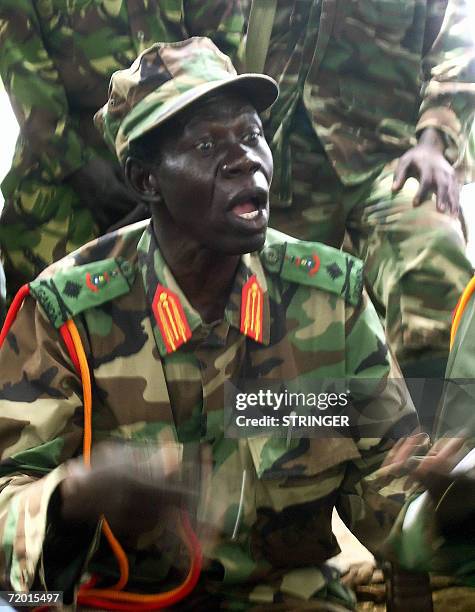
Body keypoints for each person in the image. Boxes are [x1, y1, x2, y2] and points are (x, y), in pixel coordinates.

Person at [0, 38, 473, 610]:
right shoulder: (66, 313)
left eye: (251, 136)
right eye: (206, 144)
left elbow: (390, 497)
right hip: (123, 601)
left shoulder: (329, 298)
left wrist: (449, 509)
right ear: (147, 180)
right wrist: (74, 496)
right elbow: (7, 506)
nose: (246, 158)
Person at [242, 0, 475, 387]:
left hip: (388, 161)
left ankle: (433, 425)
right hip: (272, 168)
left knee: (431, 248)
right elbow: (211, 42)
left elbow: (458, 48)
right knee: (261, 320)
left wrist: (434, 140)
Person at [0, 0, 244, 300]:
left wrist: (165, 176)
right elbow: (29, 86)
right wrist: (80, 169)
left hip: (187, 158)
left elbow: (222, 58)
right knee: (49, 301)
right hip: (63, 170)